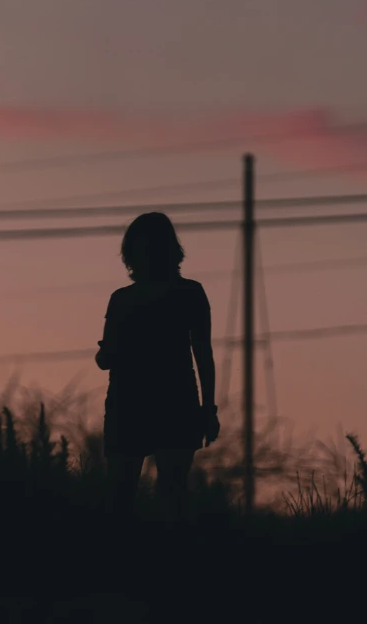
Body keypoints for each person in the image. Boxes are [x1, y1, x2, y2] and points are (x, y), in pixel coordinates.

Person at [95, 212, 220, 526]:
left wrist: (208, 409)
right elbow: (202, 353)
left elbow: (203, 353)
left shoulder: (130, 299)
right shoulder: (182, 294)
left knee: (152, 495)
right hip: (140, 401)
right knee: (146, 494)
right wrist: (207, 410)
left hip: (164, 401)